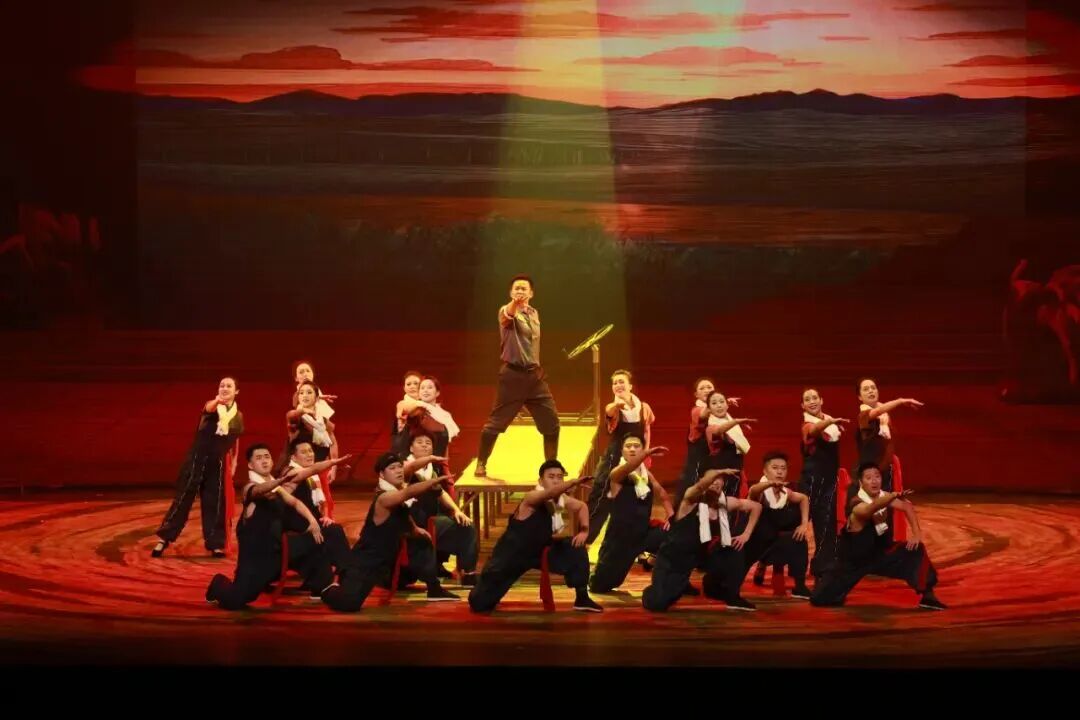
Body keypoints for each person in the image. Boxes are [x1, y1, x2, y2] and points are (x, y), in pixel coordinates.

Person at [474, 275, 560, 477]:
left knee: (552, 424)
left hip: (535, 377)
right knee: (495, 424)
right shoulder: (506, 311)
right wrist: (515, 303)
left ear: (531, 293)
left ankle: (551, 467)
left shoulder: (534, 313)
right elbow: (509, 315)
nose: (520, 291)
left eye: (524, 288)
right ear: (511, 293)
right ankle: (481, 463)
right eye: (516, 288)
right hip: (512, 376)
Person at [152, 377, 243, 558]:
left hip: (217, 462)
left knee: (215, 503)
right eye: (222, 385)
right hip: (197, 460)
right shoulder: (212, 406)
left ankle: (215, 544)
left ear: (236, 391)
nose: (225, 388)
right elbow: (208, 408)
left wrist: (234, 462)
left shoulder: (238, 415)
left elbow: (235, 440)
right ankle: (164, 539)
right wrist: (217, 401)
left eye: (229, 386)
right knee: (183, 498)